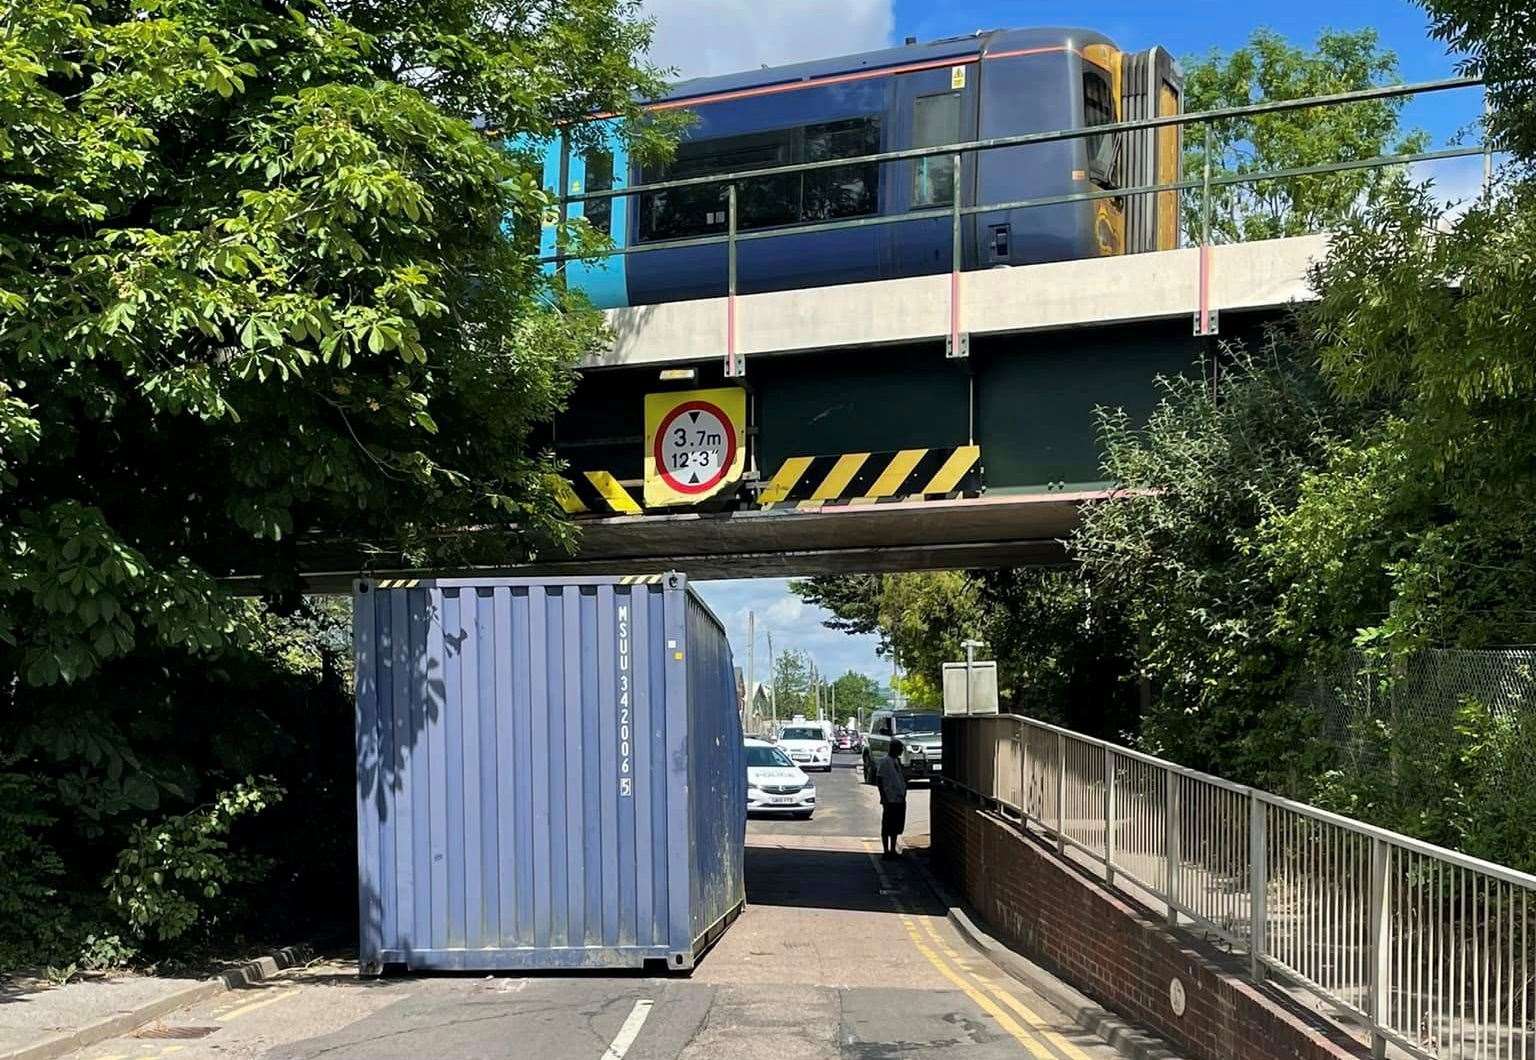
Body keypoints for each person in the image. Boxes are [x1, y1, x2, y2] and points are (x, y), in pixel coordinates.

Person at [875, 738, 908, 859]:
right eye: (899, 749)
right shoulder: (885, 761)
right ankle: (886, 851)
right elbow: (879, 779)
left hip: (899, 798)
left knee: (896, 826)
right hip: (890, 798)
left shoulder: (897, 762)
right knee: (887, 825)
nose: (900, 752)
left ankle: (893, 849)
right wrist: (883, 796)